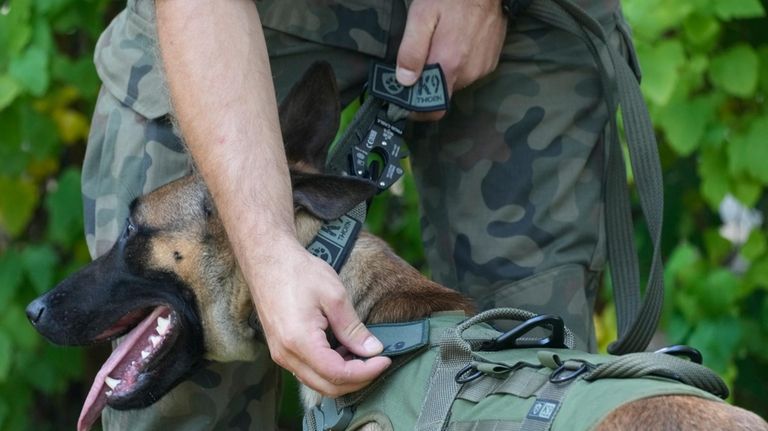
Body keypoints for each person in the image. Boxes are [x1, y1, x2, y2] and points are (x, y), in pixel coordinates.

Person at [83, 0, 638, 428]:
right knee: (174, 388)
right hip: (260, 16)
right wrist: (265, 251)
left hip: (525, 19)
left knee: (538, 380)